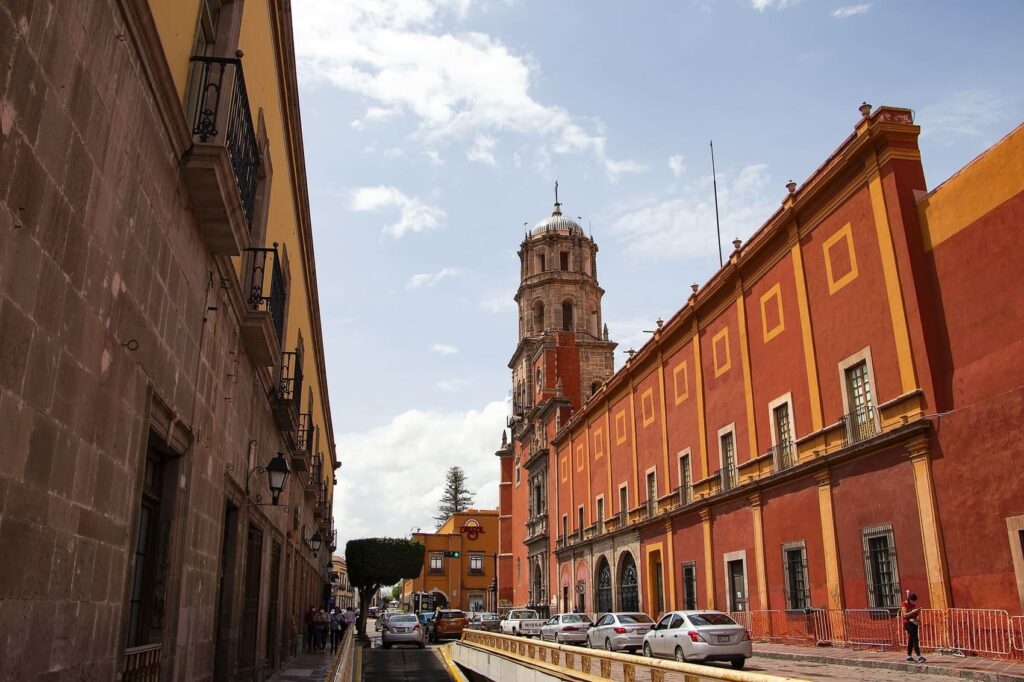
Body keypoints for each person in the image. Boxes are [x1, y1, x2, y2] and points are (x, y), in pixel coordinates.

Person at [902, 592, 926, 663]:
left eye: (914, 601)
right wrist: (913, 612)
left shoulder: (913, 604)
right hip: (908, 623)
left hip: (913, 622)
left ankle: (909, 656)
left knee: (911, 639)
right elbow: (905, 615)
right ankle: (919, 656)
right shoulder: (904, 604)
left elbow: (915, 614)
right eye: (913, 600)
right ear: (909, 599)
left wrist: (917, 615)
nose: (914, 602)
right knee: (915, 639)